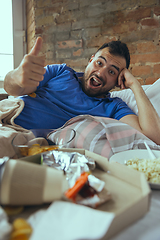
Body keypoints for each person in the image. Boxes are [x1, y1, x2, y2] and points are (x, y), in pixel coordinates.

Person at [4, 37, 160, 145]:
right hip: (6, 119)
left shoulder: (114, 106)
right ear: (90, 60)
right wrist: (17, 77)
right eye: (99, 63)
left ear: (118, 81)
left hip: (27, 139)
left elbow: (153, 136)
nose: (100, 73)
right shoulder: (61, 72)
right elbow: (14, 88)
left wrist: (135, 85)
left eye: (112, 72)